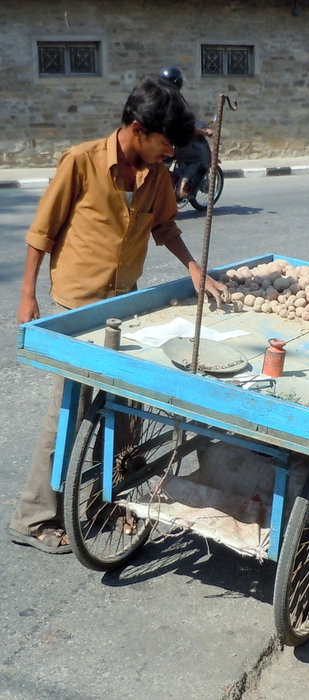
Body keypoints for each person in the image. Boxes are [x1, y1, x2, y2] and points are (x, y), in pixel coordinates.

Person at [8, 74, 227, 553]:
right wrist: (28, 297)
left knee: (125, 406)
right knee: (70, 409)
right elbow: (41, 232)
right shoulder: (81, 162)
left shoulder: (156, 175)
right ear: (136, 128)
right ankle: (34, 516)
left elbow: (165, 226)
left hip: (120, 303)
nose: (171, 154)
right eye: (165, 144)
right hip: (75, 305)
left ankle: (113, 501)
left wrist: (194, 268)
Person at [159, 66, 213, 197]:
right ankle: (181, 187)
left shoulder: (156, 98)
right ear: (177, 83)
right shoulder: (175, 101)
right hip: (171, 145)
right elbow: (186, 127)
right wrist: (205, 133)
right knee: (197, 157)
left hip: (155, 142)